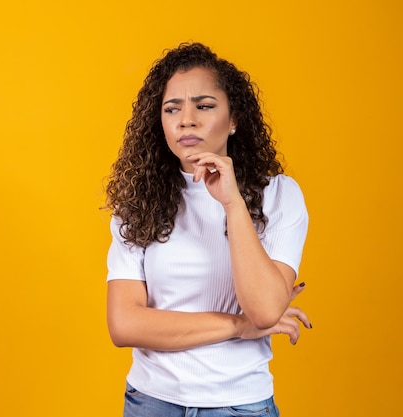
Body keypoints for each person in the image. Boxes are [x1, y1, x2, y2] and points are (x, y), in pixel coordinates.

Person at [104, 42, 311, 417]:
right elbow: (124, 325)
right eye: (172, 109)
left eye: (204, 105)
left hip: (238, 406)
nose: (187, 119)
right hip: (151, 403)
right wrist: (237, 325)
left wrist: (233, 204)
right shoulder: (137, 204)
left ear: (233, 119)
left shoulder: (279, 196)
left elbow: (264, 311)